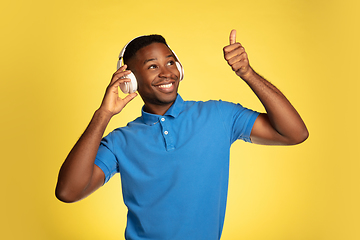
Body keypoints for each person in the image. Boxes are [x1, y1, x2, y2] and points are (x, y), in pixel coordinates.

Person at [55, 30, 308, 240]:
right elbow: (68, 192)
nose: (167, 72)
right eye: (152, 66)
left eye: (170, 62)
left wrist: (247, 73)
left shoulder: (219, 115)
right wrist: (103, 114)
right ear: (129, 80)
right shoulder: (120, 141)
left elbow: (294, 133)